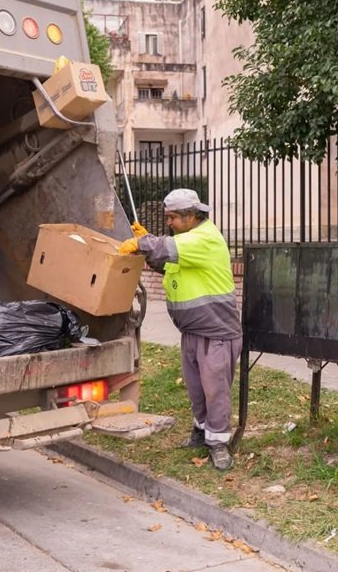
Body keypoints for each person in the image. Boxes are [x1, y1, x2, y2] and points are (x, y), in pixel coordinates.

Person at [119, 189, 242, 470]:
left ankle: (218, 443)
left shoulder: (205, 239)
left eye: (173, 217)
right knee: (197, 388)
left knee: (215, 390)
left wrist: (143, 242)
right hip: (192, 330)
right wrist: (147, 245)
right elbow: (164, 261)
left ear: (191, 216)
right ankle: (201, 432)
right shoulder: (186, 241)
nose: (169, 223)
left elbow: (164, 249)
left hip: (215, 331)